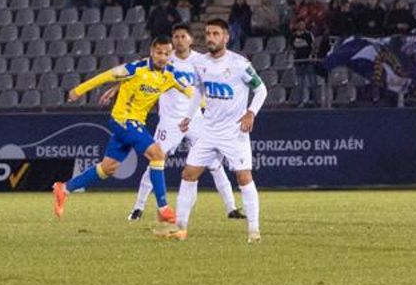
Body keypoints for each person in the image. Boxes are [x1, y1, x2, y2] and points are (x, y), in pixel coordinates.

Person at [55, 37, 191, 224]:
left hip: (135, 123)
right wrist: (79, 90)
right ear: (152, 52)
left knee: (108, 168)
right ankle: (163, 207)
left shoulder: (171, 75)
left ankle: (64, 188)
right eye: (159, 52)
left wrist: (207, 106)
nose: (162, 57)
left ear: (171, 55)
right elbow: (105, 76)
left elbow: (192, 92)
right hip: (123, 119)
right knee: (158, 154)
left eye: (167, 54)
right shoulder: (135, 68)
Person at [162, 19, 266, 243]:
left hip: (234, 131)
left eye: (216, 34)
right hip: (208, 130)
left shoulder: (239, 64)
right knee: (188, 174)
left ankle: (254, 231)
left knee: (243, 177)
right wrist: (188, 117)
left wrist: (250, 113)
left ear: (226, 37)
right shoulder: (200, 64)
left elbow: (261, 90)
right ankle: (181, 228)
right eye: (208, 33)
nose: (210, 37)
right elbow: (198, 90)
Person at [125, 24, 240, 222]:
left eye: (183, 36)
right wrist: (117, 87)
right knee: (155, 161)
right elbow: (136, 71)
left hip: (195, 119)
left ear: (190, 40)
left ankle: (231, 208)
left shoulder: (200, 61)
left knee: (214, 164)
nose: (179, 40)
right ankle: (138, 207)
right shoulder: (164, 60)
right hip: (169, 122)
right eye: (175, 36)